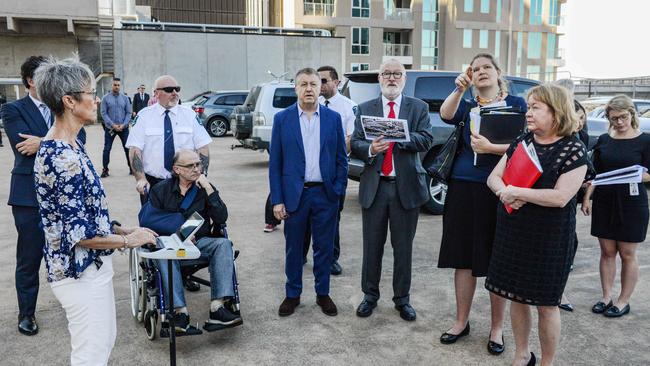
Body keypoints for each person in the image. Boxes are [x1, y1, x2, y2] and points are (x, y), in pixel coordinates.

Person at [32, 57, 156, 365]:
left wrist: (118, 229)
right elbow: (80, 234)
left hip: (91, 269)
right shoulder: (61, 155)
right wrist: (131, 241)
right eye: (90, 93)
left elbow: (82, 213)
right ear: (70, 101)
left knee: (102, 344)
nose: (97, 98)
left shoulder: (73, 144)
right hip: (78, 273)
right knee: (91, 354)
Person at [486, 83, 590, 366]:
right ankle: (522, 354)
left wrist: (518, 192)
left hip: (550, 239)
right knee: (516, 296)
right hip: (514, 232)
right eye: (528, 107)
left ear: (555, 113)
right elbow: (494, 177)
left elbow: (560, 197)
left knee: (546, 304)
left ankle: (546, 361)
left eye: (535, 108)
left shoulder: (574, 149)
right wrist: (503, 192)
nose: (528, 113)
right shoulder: (523, 141)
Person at [436, 53, 526, 353]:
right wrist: (460, 88)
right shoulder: (469, 105)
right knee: (462, 257)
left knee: (494, 259)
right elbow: (446, 115)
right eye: (475, 69)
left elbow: (525, 146)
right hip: (463, 187)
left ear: (499, 73)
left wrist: (492, 148)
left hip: (500, 189)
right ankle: (462, 321)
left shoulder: (517, 105)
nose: (481, 72)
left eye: (487, 67)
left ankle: (497, 328)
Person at [1, 55, 87, 336]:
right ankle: (26, 313)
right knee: (29, 256)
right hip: (28, 198)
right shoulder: (13, 109)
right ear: (30, 80)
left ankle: (74, 304)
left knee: (70, 249)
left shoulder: (61, 104)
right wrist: (58, 140)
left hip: (64, 193)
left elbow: (81, 139)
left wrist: (43, 141)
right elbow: (22, 146)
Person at [350, 58, 434, 321]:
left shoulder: (417, 107)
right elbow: (355, 143)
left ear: (404, 79)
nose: (391, 78)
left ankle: (402, 299)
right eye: (386, 73)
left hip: (405, 188)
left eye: (397, 74)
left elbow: (427, 139)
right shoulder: (365, 108)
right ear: (379, 78)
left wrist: (399, 134)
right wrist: (370, 149)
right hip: (375, 187)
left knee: (403, 248)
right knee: (372, 247)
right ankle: (370, 296)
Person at [269, 67, 348, 317]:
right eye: (303, 84)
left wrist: (337, 190)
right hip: (295, 196)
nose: (309, 89)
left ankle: (323, 294)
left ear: (320, 87)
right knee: (294, 248)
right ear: (296, 89)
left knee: (324, 248)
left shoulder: (333, 118)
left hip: (325, 195)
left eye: (314, 83)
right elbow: (276, 164)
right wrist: (277, 200)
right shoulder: (282, 119)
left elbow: (340, 160)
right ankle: (292, 295)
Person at [147, 150, 242, 332]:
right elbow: (150, 222)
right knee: (161, 251)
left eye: (199, 164)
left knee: (223, 244)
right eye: (191, 165)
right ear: (177, 169)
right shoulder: (160, 190)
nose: (197, 168)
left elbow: (221, 218)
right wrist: (177, 234)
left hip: (200, 243)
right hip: (169, 245)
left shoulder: (205, 188)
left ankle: (218, 308)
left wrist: (208, 189)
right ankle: (179, 313)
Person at [581, 94, 650, 318]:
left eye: (623, 117)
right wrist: (586, 197)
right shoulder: (604, 140)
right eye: (614, 119)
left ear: (632, 114)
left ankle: (623, 300)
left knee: (628, 253)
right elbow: (596, 175)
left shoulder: (645, 140)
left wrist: (636, 176)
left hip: (631, 202)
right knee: (607, 252)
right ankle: (606, 296)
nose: (619, 122)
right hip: (605, 200)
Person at [126, 75, 212, 204]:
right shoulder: (144, 116)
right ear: (156, 93)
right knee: (152, 222)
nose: (174, 93)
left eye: (177, 89)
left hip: (187, 182)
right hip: (153, 183)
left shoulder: (190, 115)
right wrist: (141, 179)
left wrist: (201, 174)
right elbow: (135, 149)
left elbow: (203, 147)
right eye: (169, 89)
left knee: (187, 222)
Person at [315, 65, 357, 276]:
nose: (319, 86)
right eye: (316, 81)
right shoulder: (311, 105)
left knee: (332, 217)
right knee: (306, 215)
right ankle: (309, 253)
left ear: (336, 82)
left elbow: (350, 140)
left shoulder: (349, 107)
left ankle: (331, 258)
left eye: (323, 81)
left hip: (334, 171)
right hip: (311, 172)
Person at [100, 77, 132, 177]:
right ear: (111, 85)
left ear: (120, 86)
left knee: (128, 149)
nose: (116, 87)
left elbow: (129, 112)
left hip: (124, 128)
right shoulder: (105, 98)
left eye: (118, 85)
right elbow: (103, 113)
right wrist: (113, 125)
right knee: (107, 149)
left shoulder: (125, 98)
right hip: (110, 129)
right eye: (115, 85)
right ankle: (105, 170)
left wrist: (124, 124)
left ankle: (132, 168)